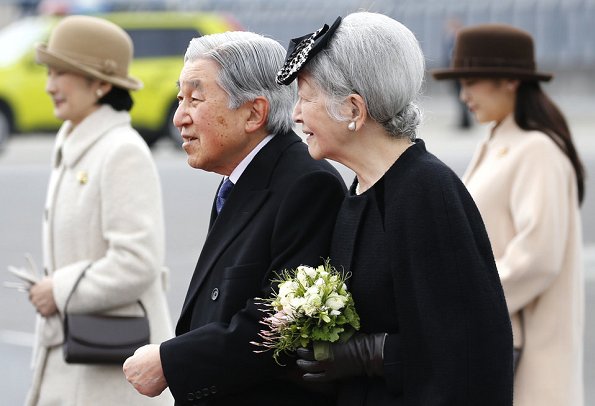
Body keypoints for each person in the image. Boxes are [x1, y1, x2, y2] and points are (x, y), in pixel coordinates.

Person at [277, 12, 514, 405]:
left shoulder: (425, 191)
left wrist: (373, 354)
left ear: (353, 109)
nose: (297, 114)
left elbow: (470, 353)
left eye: (305, 97)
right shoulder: (363, 186)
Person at [123, 31, 347, 405]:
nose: (180, 117)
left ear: (254, 112)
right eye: (181, 99)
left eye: (196, 99)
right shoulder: (240, 177)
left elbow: (282, 324)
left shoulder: (307, 184)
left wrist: (170, 361)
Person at [432, 23, 585, 406]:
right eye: (460, 83)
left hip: (530, 359)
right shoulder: (501, 140)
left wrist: (463, 298)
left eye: (472, 82)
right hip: (501, 347)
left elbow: (537, 257)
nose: (463, 95)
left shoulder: (537, 149)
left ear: (510, 82)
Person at [26, 15, 173, 405]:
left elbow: (136, 261)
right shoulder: (76, 142)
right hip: (78, 359)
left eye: (61, 73)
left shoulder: (121, 150)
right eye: (49, 72)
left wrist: (57, 290)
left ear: (102, 83)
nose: (49, 85)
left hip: (111, 373)